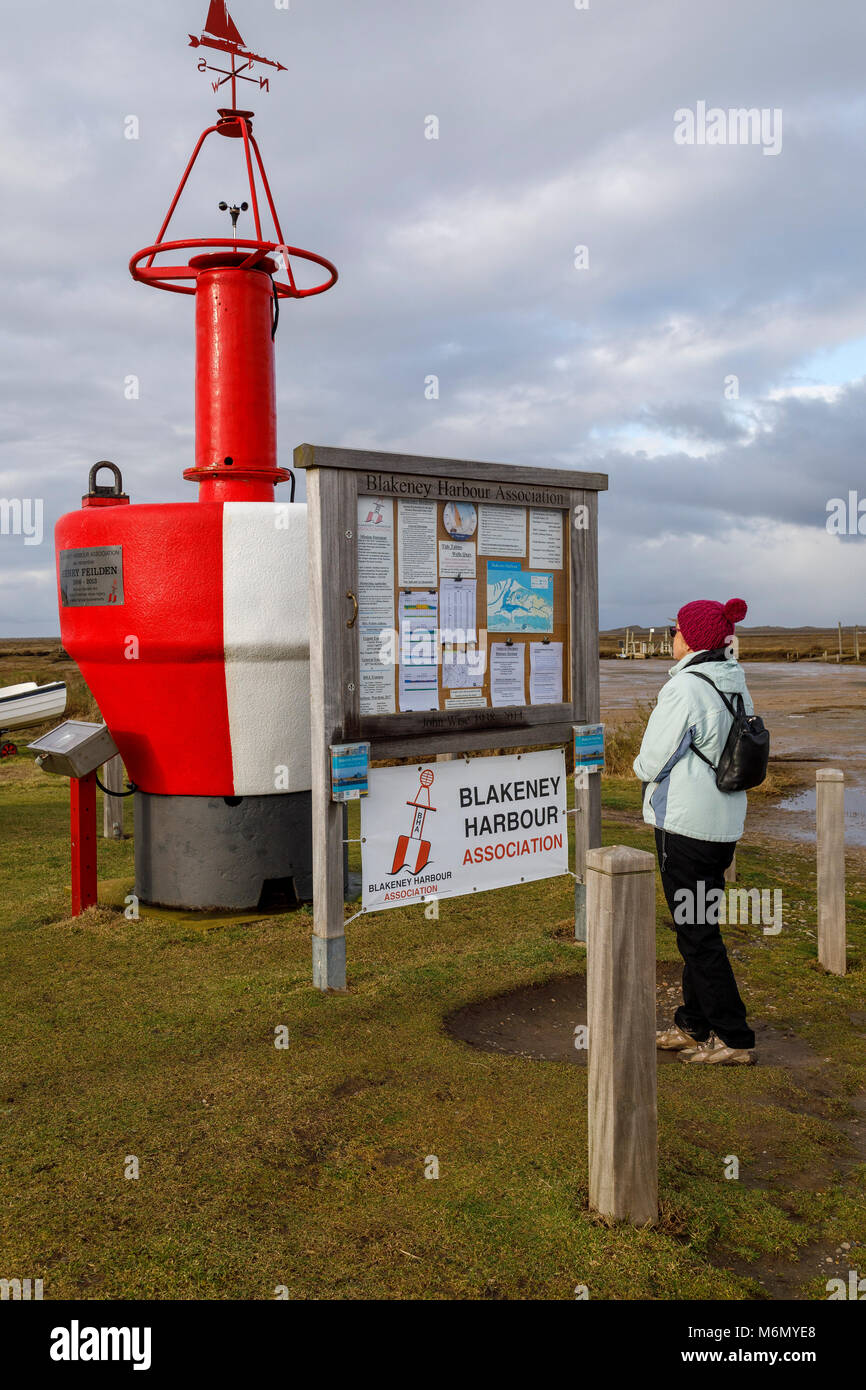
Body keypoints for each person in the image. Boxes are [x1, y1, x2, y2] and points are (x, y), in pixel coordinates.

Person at [633, 597, 756, 1066]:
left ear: (691, 638)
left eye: (675, 630)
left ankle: (734, 1037)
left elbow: (652, 760)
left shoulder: (685, 688)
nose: (673, 638)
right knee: (699, 925)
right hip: (723, 826)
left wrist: (637, 764)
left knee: (697, 934)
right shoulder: (736, 682)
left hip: (684, 827)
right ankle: (693, 1025)